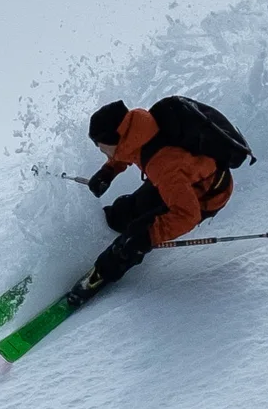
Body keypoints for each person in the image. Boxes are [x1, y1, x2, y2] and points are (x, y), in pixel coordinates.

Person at [76, 98, 241, 293]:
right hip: (181, 180)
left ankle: (102, 273)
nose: (101, 150)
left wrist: (147, 237)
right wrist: (108, 172)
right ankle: (112, 227)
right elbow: (129, 152)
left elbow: (187, 215)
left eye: (101, 146)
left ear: (116, 139)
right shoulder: (141, 128)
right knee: (128, 209)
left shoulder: (164, 166)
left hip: (205, 196)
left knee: (135, 235)